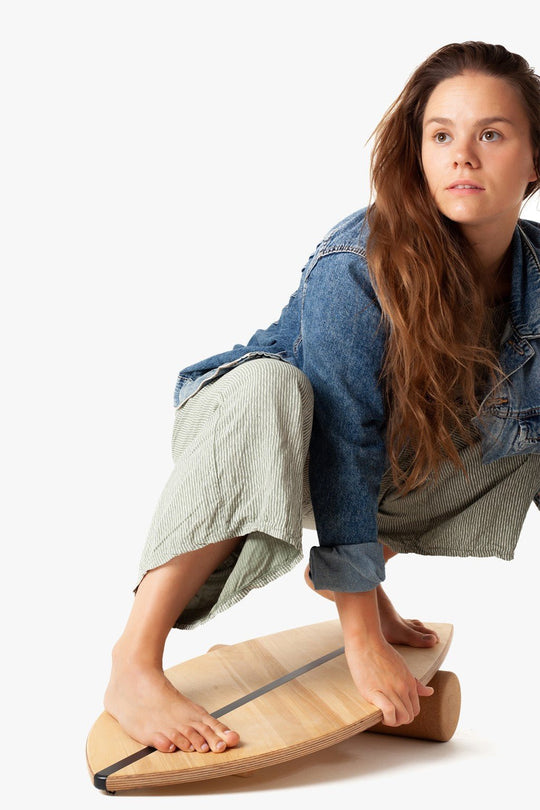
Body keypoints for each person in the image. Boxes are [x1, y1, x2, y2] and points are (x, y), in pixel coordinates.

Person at [104, 41, 540, 756]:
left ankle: (358, 579)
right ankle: (133, 660)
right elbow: (343, 436)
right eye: (441, 136)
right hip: (262, 431)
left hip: (386, 456)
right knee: (274, 387)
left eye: (491, 134)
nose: (462, 156)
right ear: (419, 154)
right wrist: (361, 641)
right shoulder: (360, 261)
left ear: (534, 159)